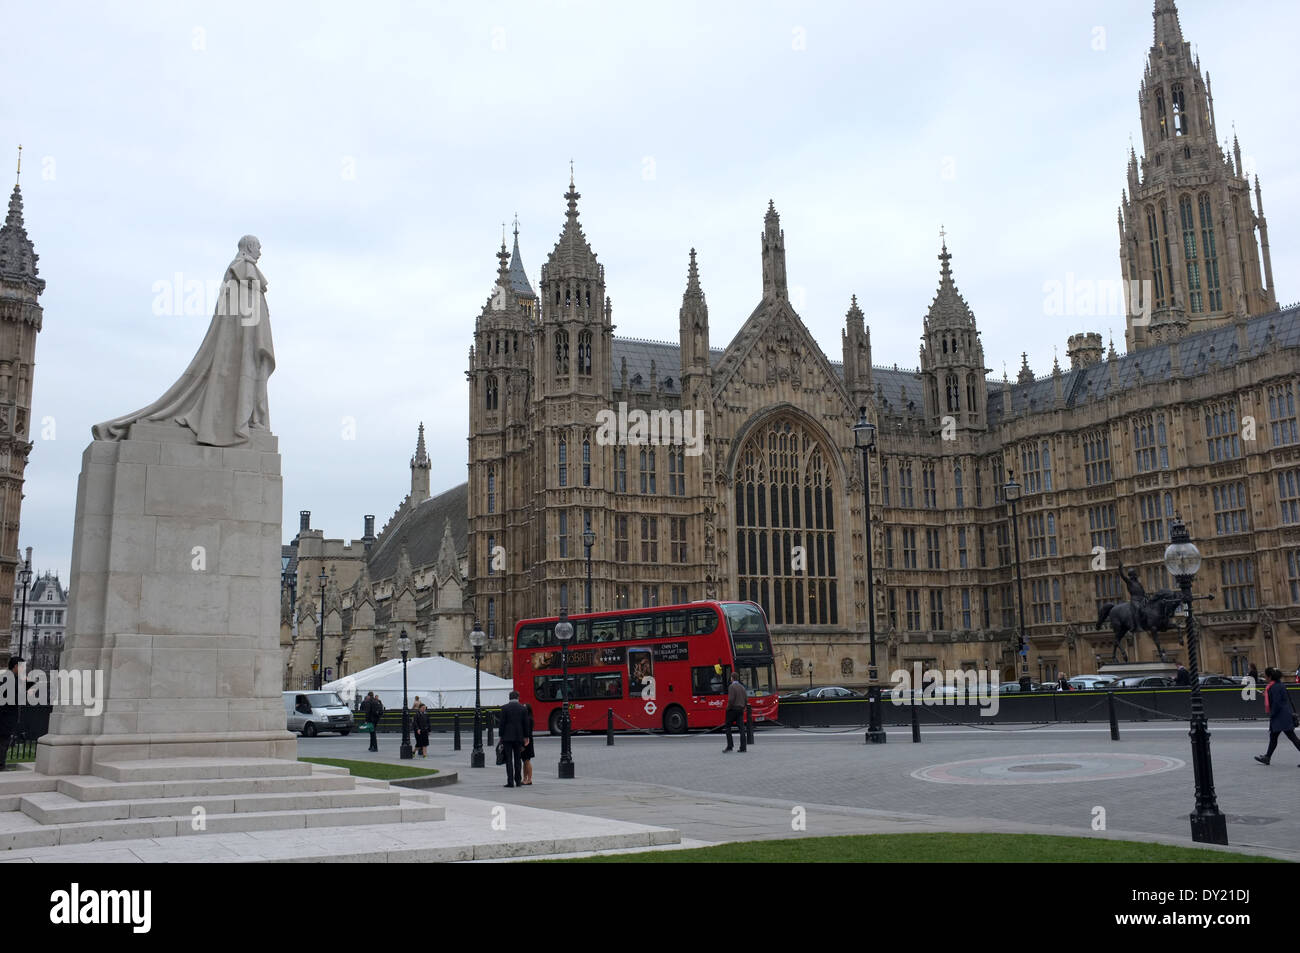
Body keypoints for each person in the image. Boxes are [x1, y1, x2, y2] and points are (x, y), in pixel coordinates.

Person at [1254, 667, 1300, 767]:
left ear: (1270, 676)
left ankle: (1267, 757)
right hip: (1283, 715)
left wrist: (1272, 714)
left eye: (1265, 676)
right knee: (1275, 737)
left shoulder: (1274, 687)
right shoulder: (1278, 685)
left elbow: (1277, 702)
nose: (1265, 678)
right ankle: (1267, 757)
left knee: (1291, 737)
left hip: (1280, 716)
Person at [498, 691, 530, 787]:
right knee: (517, 759)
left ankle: (510, 781)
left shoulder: (504, 708)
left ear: (509, 698)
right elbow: (526, 724)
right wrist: (526, 736)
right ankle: (518, 781)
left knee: (508, 760)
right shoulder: (523, 709)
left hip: (507, 737)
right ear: (518, 697)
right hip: (519, 737)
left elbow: (502, 723)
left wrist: (501, 736)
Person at [0, 657, 25, 772]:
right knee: (3, 741)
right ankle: (1, 765)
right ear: (15, 666)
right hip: (5, 717)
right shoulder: (10, 679)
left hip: (6, 716)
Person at [723, 671, 748, 753]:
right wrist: (744, 707)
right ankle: (743, 747)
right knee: (741, 729)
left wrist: (727, 708)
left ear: (732, 678)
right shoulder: (742, 687)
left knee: (728, 727)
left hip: (732, 709)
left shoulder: (731, 687)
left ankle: (730, 746)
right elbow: (746, 699)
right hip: (740, 710)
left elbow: (731, 699)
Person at [520, 703, 536, 785]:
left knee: (527, 760)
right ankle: (524, 778)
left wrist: (524, 743)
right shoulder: (527, 718)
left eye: (524, 708)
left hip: (527, 742)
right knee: (524, 760)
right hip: (526, 741)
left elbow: (527, 733)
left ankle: (529, 779)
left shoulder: (528, 719)